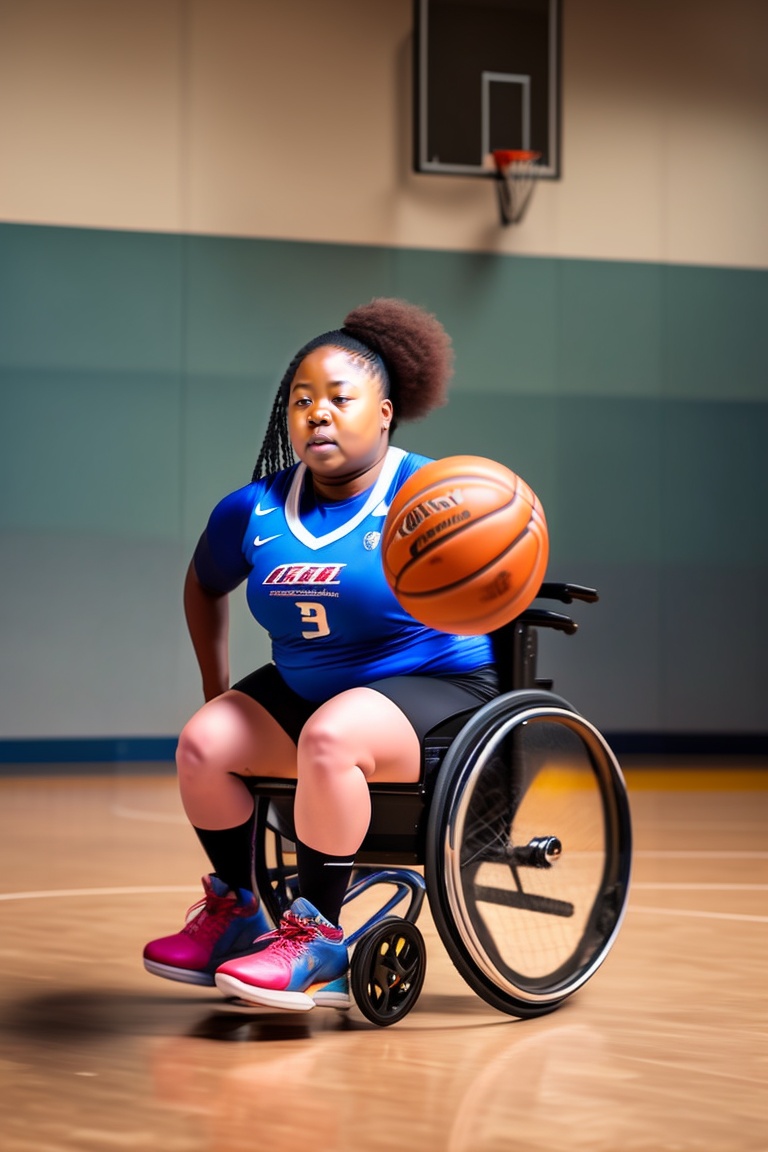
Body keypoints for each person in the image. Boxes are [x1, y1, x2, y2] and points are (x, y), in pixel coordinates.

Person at [143, 297, 499, 1011]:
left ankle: (317, 940)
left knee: (330, 737)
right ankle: (239, 910)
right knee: (204, 744)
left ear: (387, 412)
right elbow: (203, 584)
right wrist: (219, 690)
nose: (318, 414)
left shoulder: (436, 495)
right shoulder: (254, 509)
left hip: (434, 691)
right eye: (302, 400)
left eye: (340, 398)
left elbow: (501, 577)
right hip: (310, 688)